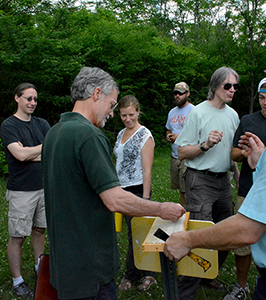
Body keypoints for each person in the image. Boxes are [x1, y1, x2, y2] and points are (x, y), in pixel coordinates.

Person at [164, 53, 266, 299]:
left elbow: (248, 230)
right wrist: (263, 162)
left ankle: (205, 276)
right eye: (227, 85)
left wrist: (187, 239)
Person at [42, 67, 185, 300]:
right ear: (96, 94)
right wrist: (161, 209)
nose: (111, 114)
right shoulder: (89, 135)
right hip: (92, 268)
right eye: (112, 105)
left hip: (64, 265)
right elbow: (115, 199)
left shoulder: (53, 134)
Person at [174, 67, 240, 300]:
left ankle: (207, 274)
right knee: (199, 235)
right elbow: (182, 152)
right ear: (215, 87)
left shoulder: (233, 115)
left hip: (223, 182)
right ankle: (186, 291)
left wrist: (237, 177)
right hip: (200, 180)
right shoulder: (198, 113)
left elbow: (231, 154)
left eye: (235, 86)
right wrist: (204, 145)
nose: (232, 90)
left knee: (226, 233)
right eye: (227, 86)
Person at [224, 76, 266, 300]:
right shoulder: (248, 120)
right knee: (242, 242)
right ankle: (241, 285)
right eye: (262, 98)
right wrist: (247, 152)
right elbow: (233, 153)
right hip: (248, 188)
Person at [0, 83, 50, 298]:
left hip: (44, 187)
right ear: (17, 99)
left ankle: (40, 269)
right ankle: (17, 280)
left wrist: (29, 152)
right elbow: (19, 155)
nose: (32, 103)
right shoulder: (9, 125)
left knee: (40, 230)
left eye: (35, 99)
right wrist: (42, 148)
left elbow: (52, 151)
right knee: (18, 236)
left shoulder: (42, 123)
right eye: (28, 98)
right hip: (21, 190)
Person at [114, 95, 157, 292]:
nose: (127, 119)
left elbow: (147, 169)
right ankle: (139, 271)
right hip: (121, 189)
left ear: (138, 112)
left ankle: (142, 274)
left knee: (139, 233)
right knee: (132, 235)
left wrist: (146, 200)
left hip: (138, 189)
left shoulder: (144, 135)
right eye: (123, 115)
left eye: (131, 114)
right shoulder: (121, 133)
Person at [166, 82, 194, 207]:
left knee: (187, 190)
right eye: (175, 93)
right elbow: (168, 128)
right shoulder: (172, 112)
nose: (177, 96)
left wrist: (179, 137)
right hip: (175, 156)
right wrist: (168, 135)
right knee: (180, 189)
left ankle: (189, 216)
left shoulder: (194, 111)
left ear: (187, 94)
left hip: (187, 156)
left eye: (180, 93)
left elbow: (197, 134)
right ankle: (184, 212)